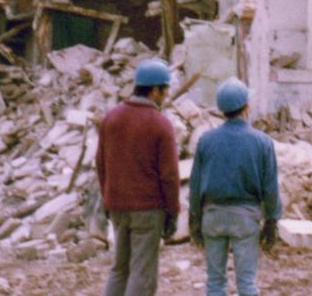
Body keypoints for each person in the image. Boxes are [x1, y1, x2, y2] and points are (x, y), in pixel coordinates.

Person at [189, 78, 282, 296]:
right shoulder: (262, 142)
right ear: (246, 107)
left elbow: (195, 184)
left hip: (212, 216)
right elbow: (270, 188)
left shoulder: (206, 140)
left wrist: (194, 217)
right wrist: (271, 220)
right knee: (247, 284)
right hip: (245, 218)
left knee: (214, 282)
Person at [96, 59, 180, 296]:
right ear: (154, 90)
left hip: (117, 207)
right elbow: (169, 176)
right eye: (164, 90)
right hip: (147, 209)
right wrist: (172, 212)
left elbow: (100, 163)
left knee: (119, 269)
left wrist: (107, 198)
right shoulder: (161, 124)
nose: (165, 96)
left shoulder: (111, 118)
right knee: (142, 273)